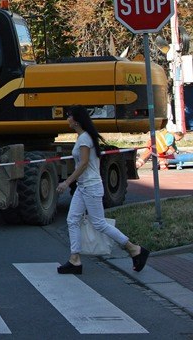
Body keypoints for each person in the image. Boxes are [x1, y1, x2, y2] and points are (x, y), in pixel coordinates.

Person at [56, 106, 150, 274]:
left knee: (99, 223)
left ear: (76, 120)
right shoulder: (83, 137)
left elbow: (84, 163)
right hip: (83, 186)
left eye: (69, 116)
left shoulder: (85, 139)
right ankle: (75, 260)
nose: (67, 119)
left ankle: (134, 249)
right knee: (72, 220)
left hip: (91, 186)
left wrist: (67, 182)